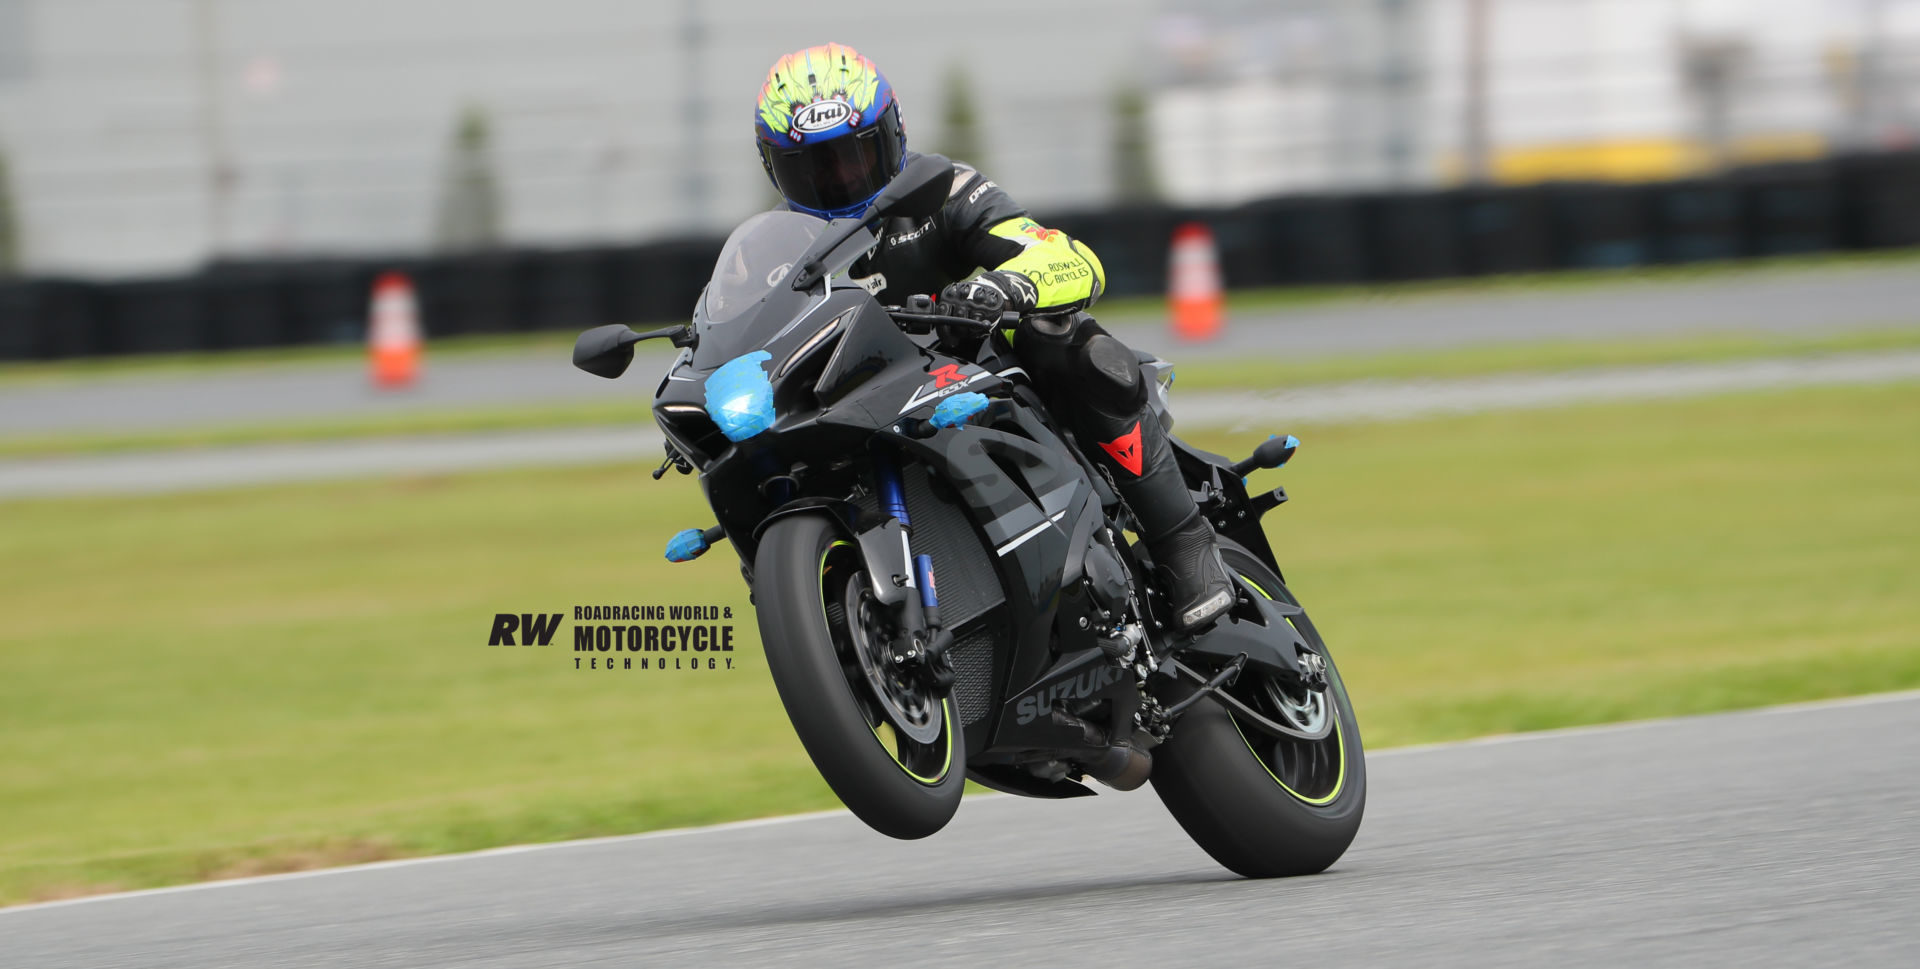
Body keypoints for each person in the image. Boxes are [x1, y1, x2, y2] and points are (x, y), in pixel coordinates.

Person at [753, 43, 1232, 633]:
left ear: (894, 135)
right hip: (870, 414)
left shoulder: (943, 191)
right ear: (776, 169)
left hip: (983, 388)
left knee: (1060, 336)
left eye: (856, 158)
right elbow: (750, 339)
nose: (841, 181)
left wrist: (1007, 288)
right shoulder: (780, 260)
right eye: (816, 170)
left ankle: (1182, 539)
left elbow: (1066, 257)